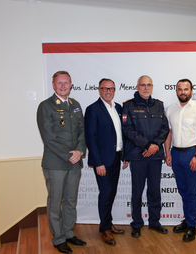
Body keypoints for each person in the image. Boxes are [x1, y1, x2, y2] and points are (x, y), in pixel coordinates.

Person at [37, 71, 86, 254]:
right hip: (56, 163)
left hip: (74, 162)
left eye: (66, 82)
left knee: (70, 201)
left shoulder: (75, 105)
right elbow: (48, 137)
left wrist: (80, 151)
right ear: (53, 85)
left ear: (71, 84)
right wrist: (69, 155)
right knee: (55, 202)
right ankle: (58, 238)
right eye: (60, 83)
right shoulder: (46, 106)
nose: (63, 86)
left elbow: (82, 131)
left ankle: (68, 232)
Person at [122, 75, 169, 238]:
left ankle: (155, 222)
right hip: (138, 156)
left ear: (152, 86)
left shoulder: (159, 105)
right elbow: (127, 130)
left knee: (155, 191)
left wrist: (154, 146)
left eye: (149, 85)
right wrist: (147, 145)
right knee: (137, 191)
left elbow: (165, 129)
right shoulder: (128, 106)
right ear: (137, 87)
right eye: (143, 85)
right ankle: (136, 223)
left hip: (155, 157)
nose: (146, 88)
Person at [85, 78, 129, 246]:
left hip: (116, 158)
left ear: (114, 90)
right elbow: (91, 139)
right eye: (104, 88)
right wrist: (98, 163)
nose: (108, 91)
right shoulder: (93, 109)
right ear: (99, 90)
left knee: (111, 193)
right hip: (103, 161)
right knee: (105, 194)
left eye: (110, 88)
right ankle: (104, 229)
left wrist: (124, 155)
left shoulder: (118, 108)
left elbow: (121, 134)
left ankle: (108, 223)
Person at [164, 79, 196, 242]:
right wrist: (167, 153)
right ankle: (187, 219)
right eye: (180, 89)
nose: (183, 92)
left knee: (193, 191)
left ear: (191, 91)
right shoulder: (170, 109)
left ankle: (192, 225)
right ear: (176, 91)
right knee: (183, 190)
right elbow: (168, 133)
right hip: (176, 153)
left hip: (192, 153)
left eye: (186, 89)